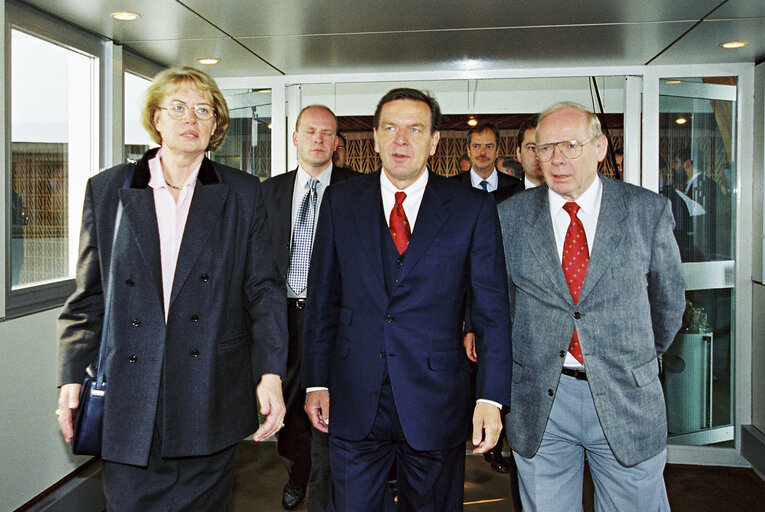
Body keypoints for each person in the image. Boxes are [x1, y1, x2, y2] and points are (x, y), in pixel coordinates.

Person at [56, 67, 288, 511]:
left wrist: (271, 372)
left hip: (208, 392)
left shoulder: (241, 193)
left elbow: (264, 290)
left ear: (217, 125)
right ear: (156, 118)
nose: (191, 119)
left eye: (204, 110)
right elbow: (88, 296)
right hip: (129, 392)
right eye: (178, 108)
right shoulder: (108, 190)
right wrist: (70, 376)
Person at [302, 88, 512, 511]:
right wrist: (316, 380)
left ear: (435, 141)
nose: (402, 140)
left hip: (436, 399)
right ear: (374, 138)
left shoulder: (472, 208)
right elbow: (323, 298)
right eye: (391, 129)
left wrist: (491, 397)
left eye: (415, 129)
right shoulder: (340, 202)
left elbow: (492, 309)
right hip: (353, 393)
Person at [497, 102, 685, 511]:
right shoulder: (507, 219)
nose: (557, 159)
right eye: (545, 148)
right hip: (542, 401)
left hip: (626, 397)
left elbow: (668, 305)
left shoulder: (646, 211)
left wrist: (632, 360)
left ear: (600, 147)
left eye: (570, 145)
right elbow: (503, 309)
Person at [261, 105, 357, 511]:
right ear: (296, 138)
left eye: (327, 133)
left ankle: (328, 484)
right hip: (283, 317)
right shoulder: (268, 193)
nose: (319, 138)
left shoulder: (359, 190)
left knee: (336, 400)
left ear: (337, 143)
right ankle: (297, 474)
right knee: (292, 407)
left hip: (338, 318)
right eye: (310, 131)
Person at [452, 122, 522, 203]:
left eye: (489, 146)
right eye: (476, 146)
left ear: (497, 151)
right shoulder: (452, 187)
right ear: (468, 151)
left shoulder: (517, 188)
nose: (482, 152)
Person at [515, 114, 543, 188]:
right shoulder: (501, 198)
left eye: (545, 148)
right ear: (519, 153)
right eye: (531, 148)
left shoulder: (571, 196)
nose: (538, 156)